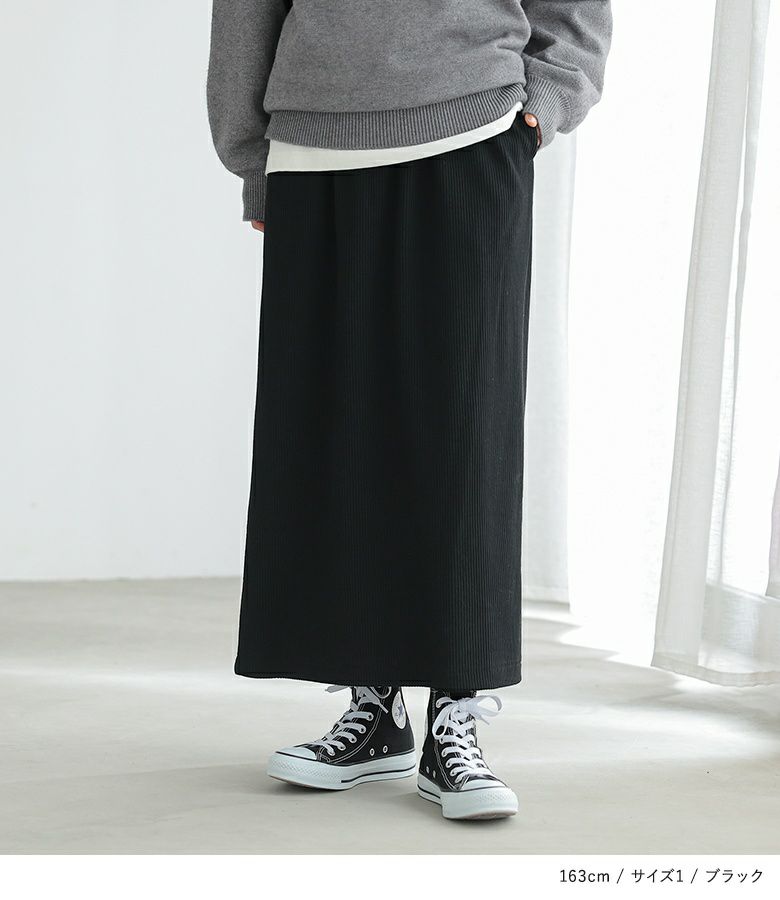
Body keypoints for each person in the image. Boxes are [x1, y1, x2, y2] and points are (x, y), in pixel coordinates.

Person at [207, 0, 612, 821]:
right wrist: (252, 152)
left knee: (464, 431)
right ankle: (376, 709)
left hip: (473, 126)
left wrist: (549, 96)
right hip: (316, 144)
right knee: (334, 431)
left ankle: (456, 714)